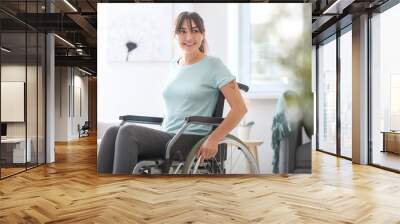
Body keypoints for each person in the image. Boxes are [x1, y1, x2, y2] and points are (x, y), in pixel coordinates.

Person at [98, 11, 248, 174]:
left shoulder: (214, 65)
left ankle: (120, 194)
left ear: (203, 34)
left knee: (128, 132)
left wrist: (214, 139)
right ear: (175, 35)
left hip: (190, 138)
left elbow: (240, 109)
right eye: (182, 31)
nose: (189, 37)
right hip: (168, 136)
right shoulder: (174, 66)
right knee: (112, 132)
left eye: (195, 30)